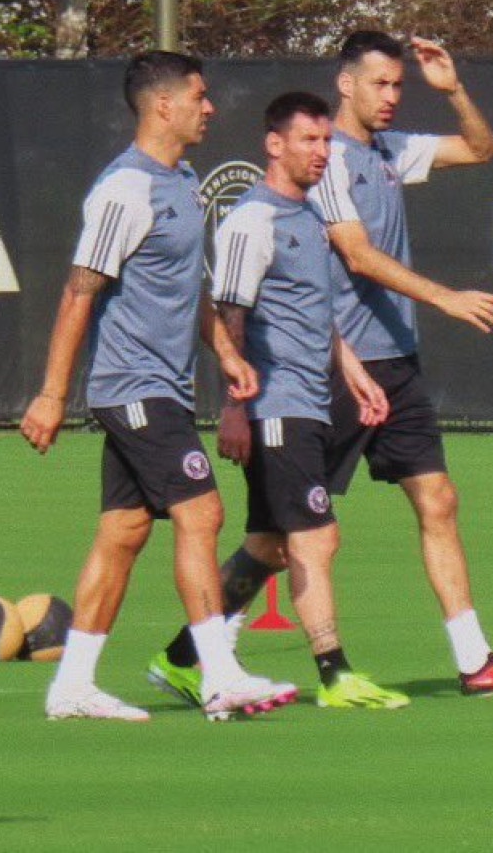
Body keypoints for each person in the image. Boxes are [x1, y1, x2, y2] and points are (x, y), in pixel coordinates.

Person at [20, 50, 287, 723]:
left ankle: (72, 684)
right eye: (199, 95)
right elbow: (78, 293)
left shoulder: (183, 180)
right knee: (203, 513)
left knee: (124, 531)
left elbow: (186, 284)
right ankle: (219, 673)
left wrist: (224, 347)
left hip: (161, 386)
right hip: (131, 387)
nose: (210, 106)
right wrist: (52, 393)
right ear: (162, 104)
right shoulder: (124, 190)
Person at [312, 30, 493, 696]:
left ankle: (474, 658)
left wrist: (453, 92)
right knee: (286, 533)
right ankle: (197, 650)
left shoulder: (392, 150)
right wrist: (445, 296)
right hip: (339, 364)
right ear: (347, 84)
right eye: (380, 84)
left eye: (399, 85)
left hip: (396, 360)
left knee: (438, 499)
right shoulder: (326, 159)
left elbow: (483, 148)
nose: (392, 96)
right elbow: (358, 255)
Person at [148, 91, 409, 710]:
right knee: (316, 539)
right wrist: (234, 408)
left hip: (311, 400)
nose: (321, 153)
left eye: (325, 141)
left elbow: (315, 314)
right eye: (308, 141)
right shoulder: (251, 221)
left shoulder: (311, 218)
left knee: (268, 545)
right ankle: (334, 674)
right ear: (274, 144)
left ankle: (181, 658)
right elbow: (227, 317)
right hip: (275, 407)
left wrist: (353, 371)